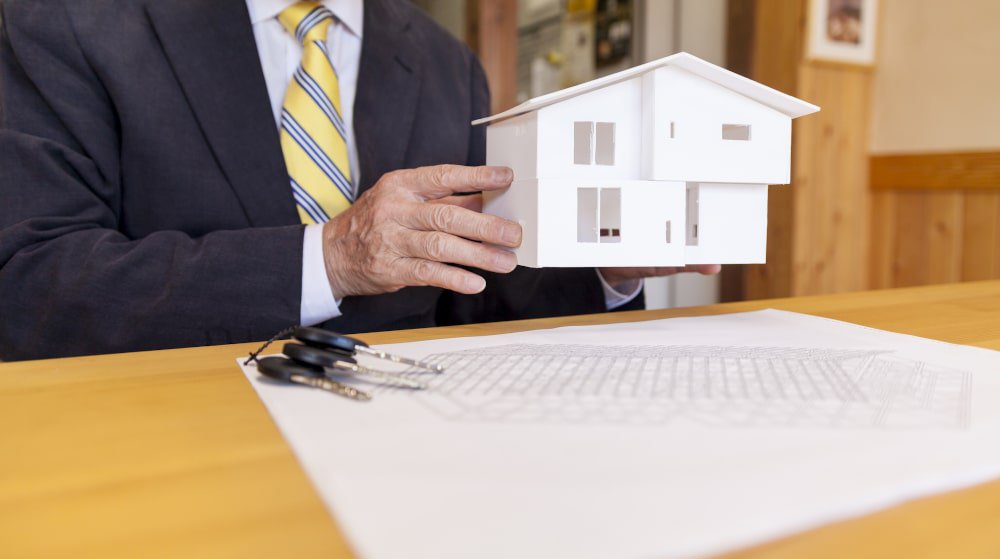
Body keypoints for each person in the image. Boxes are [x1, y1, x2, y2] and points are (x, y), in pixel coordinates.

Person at [0, 0, 717, 361]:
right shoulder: (62, 21)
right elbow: (31, 283)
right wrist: (332, 257)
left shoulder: (447, 62)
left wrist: (604, 269)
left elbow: (473, 298)